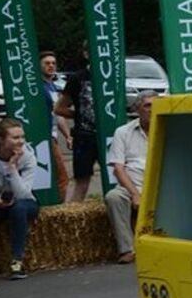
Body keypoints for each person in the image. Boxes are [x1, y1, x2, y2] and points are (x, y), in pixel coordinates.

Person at [104, 91, 156, 264]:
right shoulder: (123, 132)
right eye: (147, 105)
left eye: (155, 104)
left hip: (161, 186)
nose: (152, 109)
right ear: (137, 109)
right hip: (132, 185)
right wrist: (134, 194)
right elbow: (118, 169)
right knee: (113, 197)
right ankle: (127, 249)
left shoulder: (169, 128)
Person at [0, 119, 40, 280]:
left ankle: (17, 261)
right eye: (15, 138)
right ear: (0, 139)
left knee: (18, 208)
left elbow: (23, 194)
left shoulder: (27, 157)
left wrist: (12, 168)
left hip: (25, 201)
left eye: (22, 137)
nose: (20, 141)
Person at [54, 51, 97, 202]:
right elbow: (59, 108)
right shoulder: (77, 78)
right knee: (82, 182)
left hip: (111, 135)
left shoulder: (114, 76)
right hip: (84, 136)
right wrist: (79, 114)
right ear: (86, 54)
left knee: (116, 178)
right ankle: (74, 213)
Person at [40, 51, 71, 201]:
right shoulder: (39, 88)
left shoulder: (53, 86)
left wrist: (67, 136)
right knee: (62, 178)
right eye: (47, 63)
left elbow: (58, 115)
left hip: (53, 137)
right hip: (44, 137)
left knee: (54, 177)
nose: (51, 66)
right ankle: (58, 211)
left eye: (53, 63)